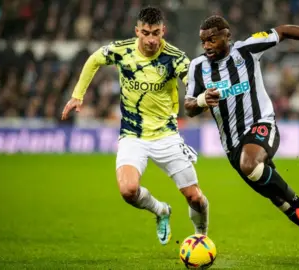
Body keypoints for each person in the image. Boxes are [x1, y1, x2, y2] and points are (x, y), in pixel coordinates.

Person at [184, 15, 299, 266]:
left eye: (212, 39)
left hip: (262, 125)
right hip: (232, 146)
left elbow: (282, 31)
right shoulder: (197, 67)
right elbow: (188, 107)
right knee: (280, 202)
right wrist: (200, 101)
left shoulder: (247, 50)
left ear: (227, 36)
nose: (206, 45)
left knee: (251, 165)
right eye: (203, 41)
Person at [61, 6, 209, 245]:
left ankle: (201, 236)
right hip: (133, 135)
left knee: (196, 198)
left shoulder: (175, 57)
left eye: (156, 33)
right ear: (137, 31)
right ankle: (161, 210)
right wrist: (78, 95)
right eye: (146, 33)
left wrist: (202, 98)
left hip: (167, 136)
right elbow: (94, 59)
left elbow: (192, 83)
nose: (151, 39)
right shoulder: (122, 51)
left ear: (164, 31)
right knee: (128, 190)